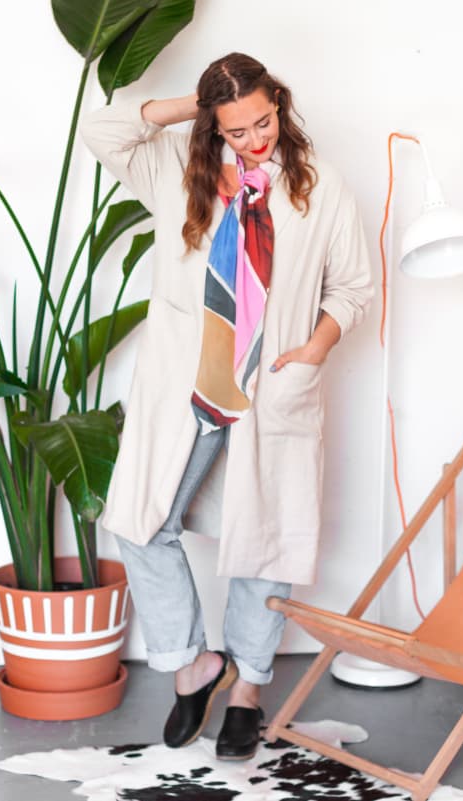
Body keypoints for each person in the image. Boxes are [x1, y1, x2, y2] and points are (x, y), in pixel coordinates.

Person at [80, 52, 373, 760]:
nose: (255, 139)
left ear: (282, 104)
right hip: (192, 389)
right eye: (236, 130)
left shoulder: (319, 188)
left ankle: (248, 686)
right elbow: (101, 130)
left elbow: (353, 288)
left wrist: (315, 348)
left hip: (274, 387)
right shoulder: (180, 176)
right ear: (215, 127)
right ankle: (192, 662)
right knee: (140, 520)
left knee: (263, 541)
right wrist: (195, 106)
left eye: (264, 120)